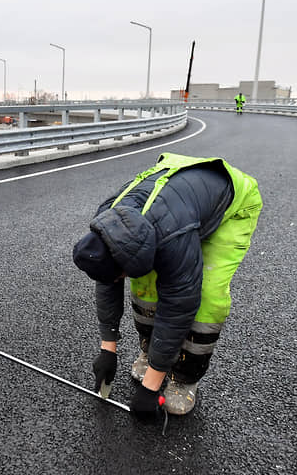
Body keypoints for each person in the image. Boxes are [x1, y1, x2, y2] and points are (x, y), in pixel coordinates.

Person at [72, 153, 262, 418]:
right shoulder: (107, 222)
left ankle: (185, 376)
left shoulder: (171, 236)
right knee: (145, 284)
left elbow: (179, 304)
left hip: (231, 206)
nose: (117, 280)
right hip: (177, 201)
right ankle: (152, 354)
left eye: (118, 275)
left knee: (206, 296)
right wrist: (108, 348)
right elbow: (107, 282)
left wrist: (150, 388)